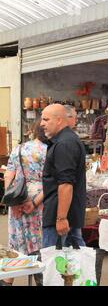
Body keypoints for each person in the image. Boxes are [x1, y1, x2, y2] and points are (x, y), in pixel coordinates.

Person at [1, 120, 47, 286]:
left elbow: (8, 175)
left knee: (15, 243)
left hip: (18, 198)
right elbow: (51, 182)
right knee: (38, 242)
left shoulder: (18, 149)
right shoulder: (49, 151)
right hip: (38, 200)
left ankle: (7, 281)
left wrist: (13, 199)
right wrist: (34, 202)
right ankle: (40, 279)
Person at [40, 103, 87, 248]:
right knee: (71, 264)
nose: (42, 124)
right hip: (63, 214)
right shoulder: (64, 140)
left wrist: (61, 218)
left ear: (59, 120)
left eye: (46, 120)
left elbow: (66, 184)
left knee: (53, 265)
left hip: (60, 216)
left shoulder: (65, 143)